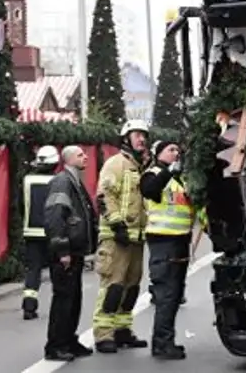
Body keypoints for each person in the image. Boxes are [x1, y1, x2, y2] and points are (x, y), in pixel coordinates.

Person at [140, 139, 207, 360]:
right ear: (158, 153)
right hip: (163, 242)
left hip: (179, 241)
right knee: (167, 295)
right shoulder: (153, 174)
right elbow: (150, 191)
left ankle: (166, 340)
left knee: (175, 294)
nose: (176, 153)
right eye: (171, 150)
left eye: (178, 150)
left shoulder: (178, 180)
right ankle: (161, 344)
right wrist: (168, 171)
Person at [92, 119, 151, 354]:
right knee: (113, 286)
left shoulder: (141, 166)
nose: (142, 139)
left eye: (144, 135)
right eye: (137, 134)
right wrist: (117, 225)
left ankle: (123, 330)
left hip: (136, 238)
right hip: (116, 238)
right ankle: (103, 333)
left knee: (132, 286)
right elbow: (105, 195)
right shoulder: (115, 164)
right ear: (126, 138)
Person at [43, 146, 96, 361]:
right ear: (68, 159)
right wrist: (62, 250)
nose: (85, 157)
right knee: (64, 299)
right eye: (80, 155)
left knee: (74, 298)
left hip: (75, 252)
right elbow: (55, 217)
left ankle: (69, 340)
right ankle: (55, 345)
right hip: (66, 253)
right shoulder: (63, 182)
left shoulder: (74, 180)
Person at [21, 145, 59, 321]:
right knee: (57, 270)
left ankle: (29, 306)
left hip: (31, 232)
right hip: (53, 233)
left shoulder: (27, 180)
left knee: (33, 270)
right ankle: (58, 307)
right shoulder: (59, 181)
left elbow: (21, 206)